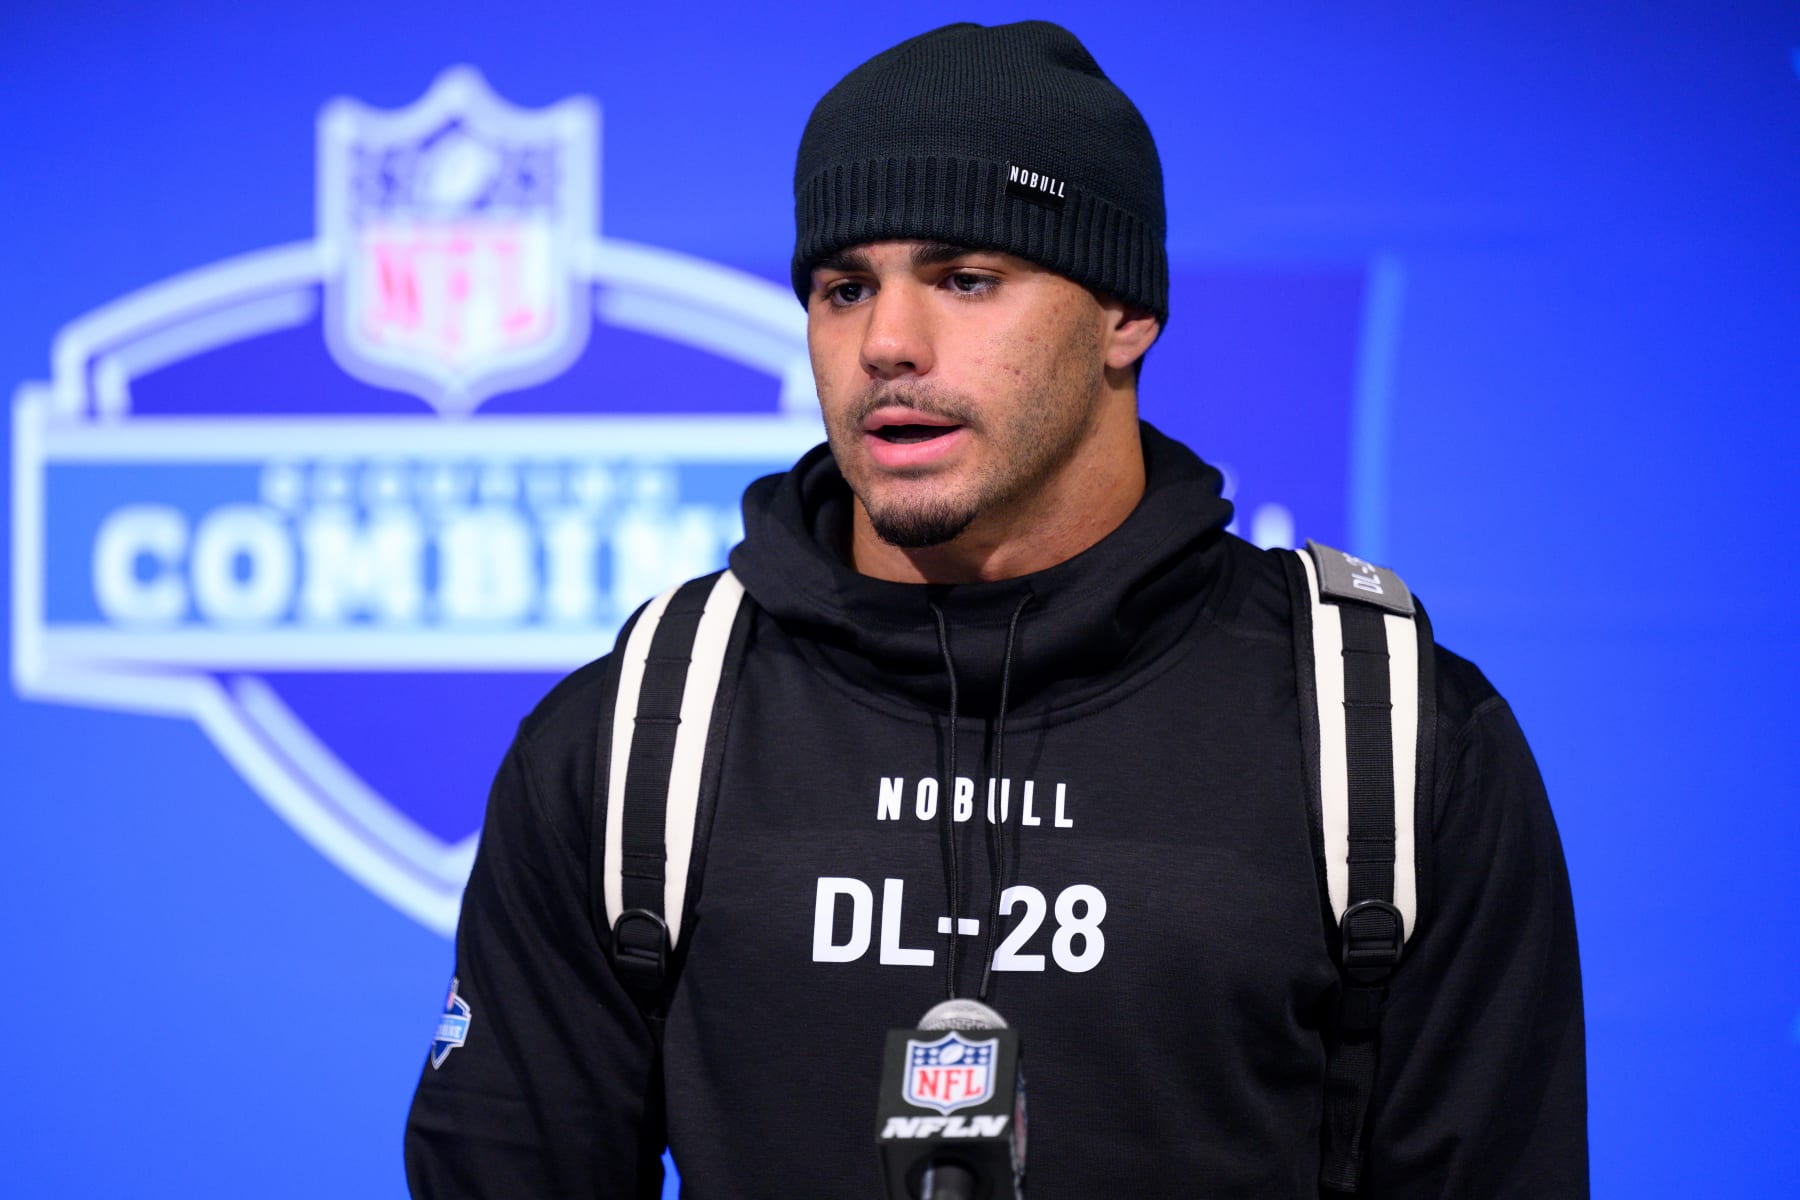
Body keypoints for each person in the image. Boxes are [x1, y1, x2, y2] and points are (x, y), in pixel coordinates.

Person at [404, 20, 1586, 1198]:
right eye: (843, 287)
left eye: (969, 278)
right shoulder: (633, 741)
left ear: (1126, 314)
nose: (887, 344)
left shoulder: (1384, 736)